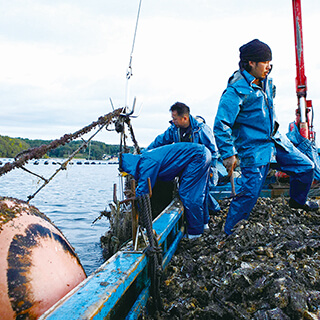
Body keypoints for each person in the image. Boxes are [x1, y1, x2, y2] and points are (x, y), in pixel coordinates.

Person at [214, 39, 318, 235]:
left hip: (276, 142)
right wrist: (228, 154)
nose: (269, 67)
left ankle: (298, 203)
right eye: (265, 62)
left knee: (306, 167)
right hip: (254, 150)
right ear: (251, 63)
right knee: (250, 193)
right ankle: (229, 232)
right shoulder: (234, 92)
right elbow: (221, 126)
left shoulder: (267, 83)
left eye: (270, 62)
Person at [120, 143, 212, 237]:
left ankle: (195, 234)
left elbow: (144, 191)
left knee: (188, 194)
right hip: (203, 153)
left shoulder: (147, 163)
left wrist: (136, 206)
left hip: (198, 156)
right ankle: (204, 224)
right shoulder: (145, 157)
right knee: (200, 192)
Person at [145, 102, 220, 213]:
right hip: (186, 168)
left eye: (174, 119)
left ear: (184, 118)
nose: (173, 121)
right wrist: (145, 154)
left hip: (202, 168)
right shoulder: (174, 130)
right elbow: (159, 141)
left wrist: (211, 172)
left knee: (199, 192)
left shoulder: (201, 130)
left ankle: (213, 210)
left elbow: (213, 153)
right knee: (185, 191)